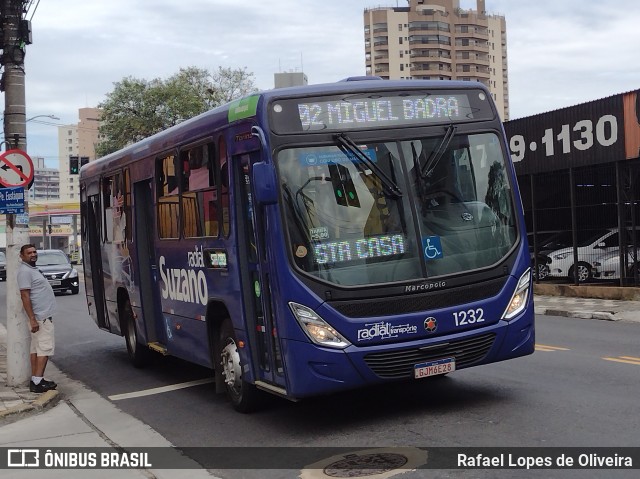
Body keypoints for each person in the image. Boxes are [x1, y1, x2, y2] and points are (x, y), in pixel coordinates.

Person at [17, 244, 58, 393]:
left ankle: (36, 379)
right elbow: (25, 296)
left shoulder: (32, 269)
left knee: (36, 349)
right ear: (22, 256)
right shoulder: (25, 272)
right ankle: (38, 383)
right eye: (29, 253)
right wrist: (33, 319)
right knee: (44, 349)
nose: (33, 254)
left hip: (41, 317)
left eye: (34, 252)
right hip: (41, 318)